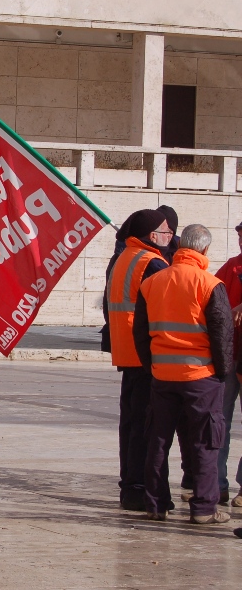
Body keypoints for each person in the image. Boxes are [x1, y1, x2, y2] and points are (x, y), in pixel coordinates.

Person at [134, 224, 234, 524]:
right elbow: (222, 335)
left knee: (158, 441)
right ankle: (203, 508)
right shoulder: (209, 283)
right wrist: (223, 373)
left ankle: (156, 504)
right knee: (204, 442)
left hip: (163, 375)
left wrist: (152, 365)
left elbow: (140, 333)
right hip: (200, 377)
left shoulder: (153, 282)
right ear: (204, 250)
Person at [103, 209, 173, 511]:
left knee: (130, 425)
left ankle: (130, 488)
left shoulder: (124, 257)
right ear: (151, 235)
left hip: (127, 352)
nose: (169, 238)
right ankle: (142, 489)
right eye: (166, 233)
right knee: (147, 428)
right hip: (147, 355)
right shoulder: (152, 262)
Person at [213, 220, 242, 508]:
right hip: (229, 353)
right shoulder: (231, 267)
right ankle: (217, 484)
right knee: (219, 419)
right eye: (241, 238)